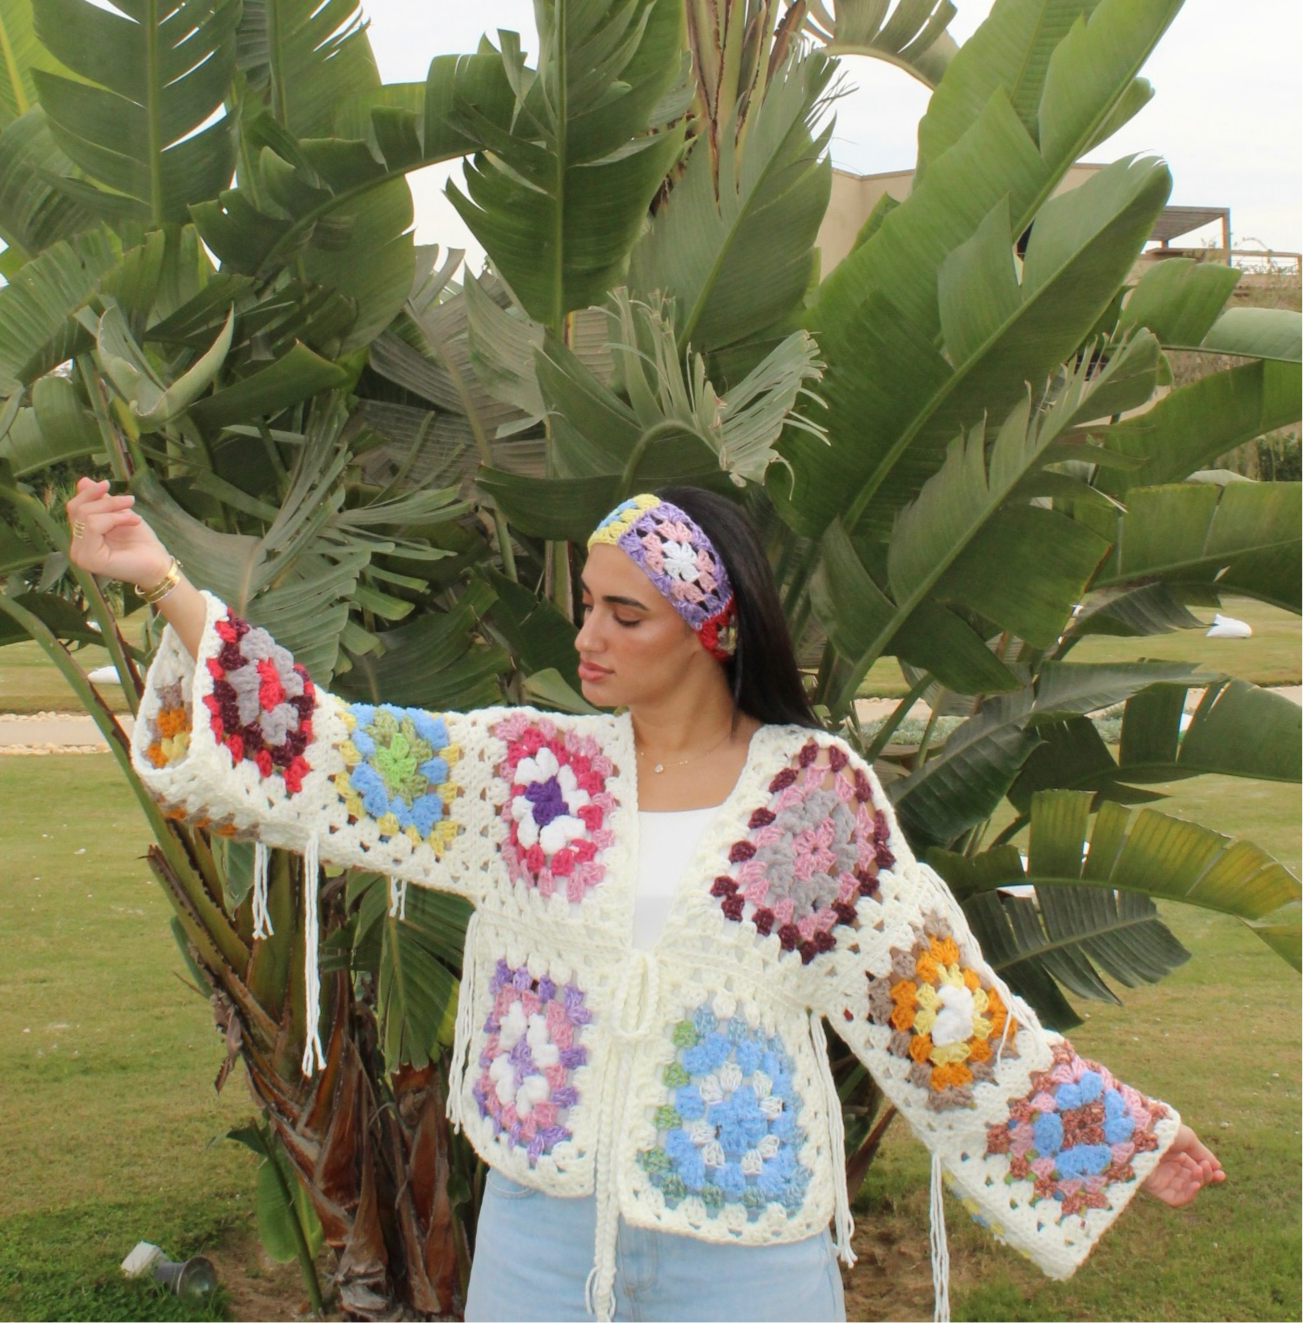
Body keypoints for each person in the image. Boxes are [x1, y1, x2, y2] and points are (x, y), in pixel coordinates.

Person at [66, 475, 1224, 1323]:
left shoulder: (812, 806)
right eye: (587, 604)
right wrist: (164, 583)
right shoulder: (532, 774)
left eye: (628, 614)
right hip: (535, 1236)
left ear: (713, 633)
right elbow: (328, 749)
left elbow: (941, 1006)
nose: (588, 636)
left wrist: (1117, 1140)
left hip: (747, 1261)